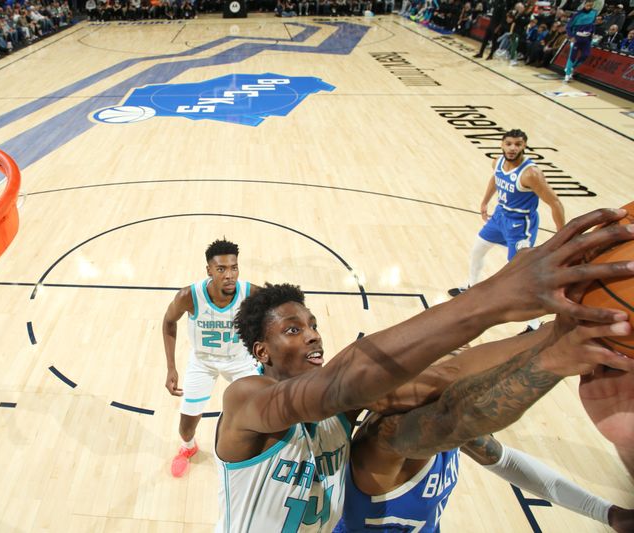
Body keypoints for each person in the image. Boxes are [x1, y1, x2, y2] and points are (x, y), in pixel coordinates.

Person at [213, 207, 634, 532]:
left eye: (313, 325)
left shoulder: (340, 413)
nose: (312, 336)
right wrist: (493, 298)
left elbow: (444, 376)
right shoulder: (246, 400)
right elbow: (339, 382)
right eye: (293, 329)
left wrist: (560, 331)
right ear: (262, 352)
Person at [333, 320, 634, 532]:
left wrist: (607, 512)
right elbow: (459, 414)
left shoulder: (445, 429)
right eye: (457, 361)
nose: (471, 367)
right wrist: (553, 348)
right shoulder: (385, 438)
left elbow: (507, 462)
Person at [448, 129, 565, 332]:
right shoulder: (498, 161)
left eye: (518, 144)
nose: (512, 148)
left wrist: (563, 232)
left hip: (520, 225)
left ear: (524, 146)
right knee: (477, 249)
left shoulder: (531, 174)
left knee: (521, 273)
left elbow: (554, 202)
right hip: (500, 216)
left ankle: (534, 324)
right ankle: (471, 286)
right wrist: (485, 201)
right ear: (502, 145)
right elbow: (495, 179)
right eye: (509, 144)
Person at [162, 238, 260, 478]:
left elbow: (274, 322)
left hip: (240, 361)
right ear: (209, 270)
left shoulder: (251, 294)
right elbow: (168, 322)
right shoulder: (189, 296)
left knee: (261, 413)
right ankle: (188, 447)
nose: (229, 275)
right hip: (203, 363)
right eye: (221, 269)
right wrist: (171, 368)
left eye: (234, 267)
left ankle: (258, 456)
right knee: (185, 427)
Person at [564, 0, 605, 82]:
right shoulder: (577, 15)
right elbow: (568, 27)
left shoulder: (594, 13)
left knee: (586, 55)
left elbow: (593, 24)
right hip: (577, 38)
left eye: (591, 4)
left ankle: (572, 67)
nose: (589, 6)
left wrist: (592, 33)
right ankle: (567, 74)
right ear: (584, 4)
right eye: (588, 4)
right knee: (572, 56)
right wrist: (571, 36)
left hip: (587, 39)